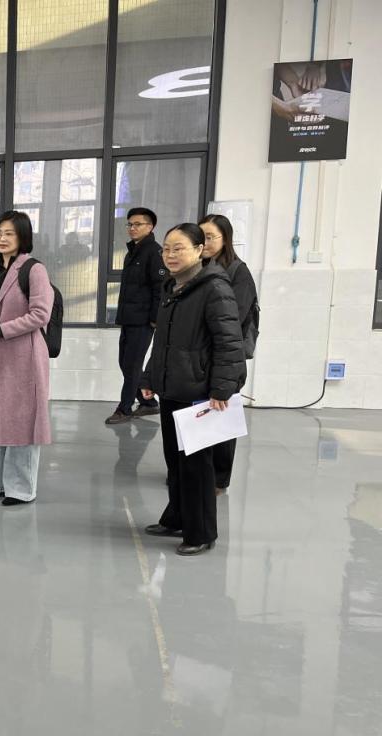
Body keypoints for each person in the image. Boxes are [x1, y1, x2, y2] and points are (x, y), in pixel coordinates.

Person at [140, 223, 246, 556]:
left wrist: (221, 389)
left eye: (179, 248)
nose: (170, 255)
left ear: (199, 250)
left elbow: (229, 342)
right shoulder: (172, 286)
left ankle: (201, 533)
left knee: (197, 466)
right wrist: (149, 378)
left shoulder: (214, 288)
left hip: (200, 390)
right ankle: (177, 518)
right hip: (173, 387)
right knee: (175, 460)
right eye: (166, 249)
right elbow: (162, 341)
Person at [0, 211, 55, 506]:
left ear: (22, 236)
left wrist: (3, 330)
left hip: (23, 354)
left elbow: (41, 314)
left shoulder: (34, 269)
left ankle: (20, 488)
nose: (2, 238)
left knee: (21, 420)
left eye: (9, 233)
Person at [199, 213, 258, 494]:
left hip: (226, 356)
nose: (205, 242)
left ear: (226, 239)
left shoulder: (238, 272)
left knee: (222, 416)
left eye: (211, 237)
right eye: (201, 236)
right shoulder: (198, 268)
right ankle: (197, 472)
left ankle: (218, 479)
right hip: (199, 355)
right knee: (199, 413)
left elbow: (235, 318)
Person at [107, 207, 166, 425]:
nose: (132, 228)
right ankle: (148, 403)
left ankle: (124, 408)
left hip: (143, 321)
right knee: (125, 363)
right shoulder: (133, 252)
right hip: (129, 318)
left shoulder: (154, 253)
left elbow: (160, 287)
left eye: (138, 224)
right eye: (130, 224)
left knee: (132, 365)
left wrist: (155, 319)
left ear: (150, 227)